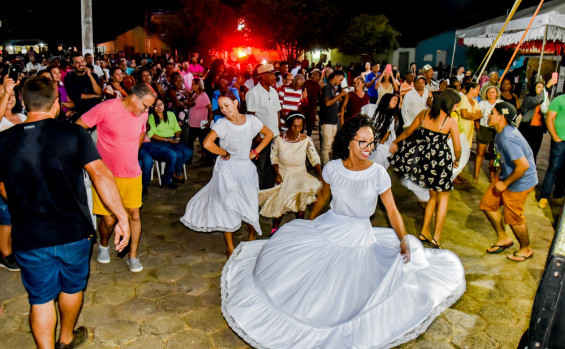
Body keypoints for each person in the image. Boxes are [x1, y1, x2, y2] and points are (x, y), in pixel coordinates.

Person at [221, 116, 465, 348]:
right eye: (362, 142)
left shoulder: (378, 173)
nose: (368, 147)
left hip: (360, 234)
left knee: (350, 288)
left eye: (371, 143)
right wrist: (310, 222)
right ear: (348, 141)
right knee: (305, 276)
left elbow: (391, 210)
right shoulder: (334, 168)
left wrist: (402, 238)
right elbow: (323, 196)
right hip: (330, 225)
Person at [0, 76, 130, 349]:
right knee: (72, 288)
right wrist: (122, 216)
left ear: (23, 103)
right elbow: (101, 174)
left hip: (30, 234)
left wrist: (21, 201)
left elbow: (3, 187)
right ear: (56, 104)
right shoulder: (74, 134)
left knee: (40, 298)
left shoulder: (4, 140)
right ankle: (66, 338)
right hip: (73, 231)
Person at [180, 92, 274, 256]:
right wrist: (224, 152)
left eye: (227, 105)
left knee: (250, 203)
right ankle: (229, 247)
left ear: (236, 103)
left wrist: (255, 151)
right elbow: (207, 143)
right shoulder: (222, 124)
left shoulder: (251, 121)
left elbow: (269, 134)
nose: (224, 110)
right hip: (226, 169)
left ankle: (251, 235)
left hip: (246, 168)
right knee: (226, 206)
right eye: (221, 107)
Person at [77, 83, 157, 273]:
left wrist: (131, 153)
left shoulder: (143, 114)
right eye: (145, 105)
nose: (147, 110)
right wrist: (90, 155)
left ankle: (133, 255)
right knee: (109, 220)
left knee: (134, 215)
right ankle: (104, 245)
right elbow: (78, 127)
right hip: (106, 176)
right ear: (135, 98)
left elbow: (141, 132)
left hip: (132, 173)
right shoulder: (107, 108)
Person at [390, 90, 462, 248]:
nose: (458, 107)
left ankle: (424, 231)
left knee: (433, 197)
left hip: (425, 160)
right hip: (441, 161)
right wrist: (457, 159)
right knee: (443, 198)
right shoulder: (450, 121)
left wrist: (396, 142)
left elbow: (408, 131)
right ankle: (436, 236)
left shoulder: (424, 114)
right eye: (456, 104)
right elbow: (457, 147)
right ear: (449, 104)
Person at [480, 102, 537, 261]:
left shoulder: (508, 137)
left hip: (520, 181)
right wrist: (498, 174)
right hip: (506, 174)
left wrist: (504, 184)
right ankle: (503, 238)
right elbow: (504, 158)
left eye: (492, 112)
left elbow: (523, 166)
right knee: (488, 204)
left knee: (514, 219)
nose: (488, 115)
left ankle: (526, 249)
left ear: (501, 117)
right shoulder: (499, 132)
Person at [259, 113, 322, 234]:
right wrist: (277, 173)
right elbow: (274, 157)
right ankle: (274, 232)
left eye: (300, 126)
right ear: (288, 125)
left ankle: (299, 232)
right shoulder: (278, 140)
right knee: (278, 208)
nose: (297, 129)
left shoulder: (306, 140)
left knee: (300, 207)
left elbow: (314, 159)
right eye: (294, 126)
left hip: (300, 175)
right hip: (284, 175)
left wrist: (320, 175)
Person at [0, 77, 24, 271]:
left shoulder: (23, 117)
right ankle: (5, 254)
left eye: (10, 95)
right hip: (4, 174)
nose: (9, 99)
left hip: (23, 172)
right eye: (2, 94)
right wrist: (7, 91)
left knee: (19, 213)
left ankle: (18, 247)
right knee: (6, 214)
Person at [246, 63, 282, 189]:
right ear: (263, 76)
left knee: (273, 165)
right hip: (261, 137)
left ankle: (268, 192)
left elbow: (277, 112)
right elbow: (251, 116)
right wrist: (256, 136)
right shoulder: (253, 93)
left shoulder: (274, 92)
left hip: (275, 135)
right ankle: (258, 193)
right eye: (271, 74)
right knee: (260, 167)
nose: (274, 77)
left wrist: (279, 131)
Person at [147, 98, 193, 187]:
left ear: (164, 105)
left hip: (173, 139)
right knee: (177, 154)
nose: (159, 107)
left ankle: (174, 171)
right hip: (160, 141)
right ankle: (169, 177)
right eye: (156, 105)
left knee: (188, 152)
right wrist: (167, 140)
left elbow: (177, 129)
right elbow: (151, 134)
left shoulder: (170, 114)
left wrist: (177, 137)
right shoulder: (151, 117)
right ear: (153, 107)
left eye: (161, 104)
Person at [538, 92, 565, 209]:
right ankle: (544, 196)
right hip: (560, 140)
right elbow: (549, 119)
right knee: (554, 167)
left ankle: (558, 194)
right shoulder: (559, 100)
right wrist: (555, 137)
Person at [519, 79, 555, 162]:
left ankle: (530, 172)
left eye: (542, 88)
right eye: (539, 87)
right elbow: (536, 100)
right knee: (523, 151)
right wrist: (547, 87)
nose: (541, 89)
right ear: (533, 88)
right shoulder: (529, 98)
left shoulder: (545, 101)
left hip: (538, 130)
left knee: (534, 152)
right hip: (527, 128)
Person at [362, 93, 400, 169]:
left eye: (397, 101)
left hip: (379, 143)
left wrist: (374, 144)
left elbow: (385, 136)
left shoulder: (391, 118)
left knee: (379, 154)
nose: (396, 102)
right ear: (387, 99)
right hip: (365, 138)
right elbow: (359, 118)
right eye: (394, 99)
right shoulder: (371, 108)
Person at [475, 86, 502, 183]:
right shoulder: (482, 103)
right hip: (484, 129)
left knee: (493, 154)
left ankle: (492, 174)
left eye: (493, 92)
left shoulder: (500, 103)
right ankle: (476, 175)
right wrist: (477, 126)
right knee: (480, 153)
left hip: (495, 130)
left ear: (496, 94)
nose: (490, 94)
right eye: (489, 92)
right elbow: (477, 116)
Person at [319, 71, 347, 165]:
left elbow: (332, 103)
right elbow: (327, 103)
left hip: (333, 121)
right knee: (326, 146)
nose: (340, 82)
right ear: (335, 76)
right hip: (327, 122)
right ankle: (325, 166)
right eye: (340, 79)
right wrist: (340, 95)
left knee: (331, 145)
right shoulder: (326, 87)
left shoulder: (332, 88)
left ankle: (328, 165)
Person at [63, 53, 102, 120]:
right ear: (72, 65)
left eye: (82, 61)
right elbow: (77, 96)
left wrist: (90, 75)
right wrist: (94, 96)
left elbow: (99, 92)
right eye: (77, 62)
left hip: (96, 110)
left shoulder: (93, 75)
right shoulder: (69, 77)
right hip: (80, 112)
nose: (81, 64)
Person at [302, 69, 322, 136]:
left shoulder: (318, 86)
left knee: (309, 127)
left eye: (316, 75)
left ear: (319, 77)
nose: (314, 76)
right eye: (313, 74)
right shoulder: (306, 82)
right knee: (301, 125)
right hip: (304, 107)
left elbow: (319, 97)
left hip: (312, 108)